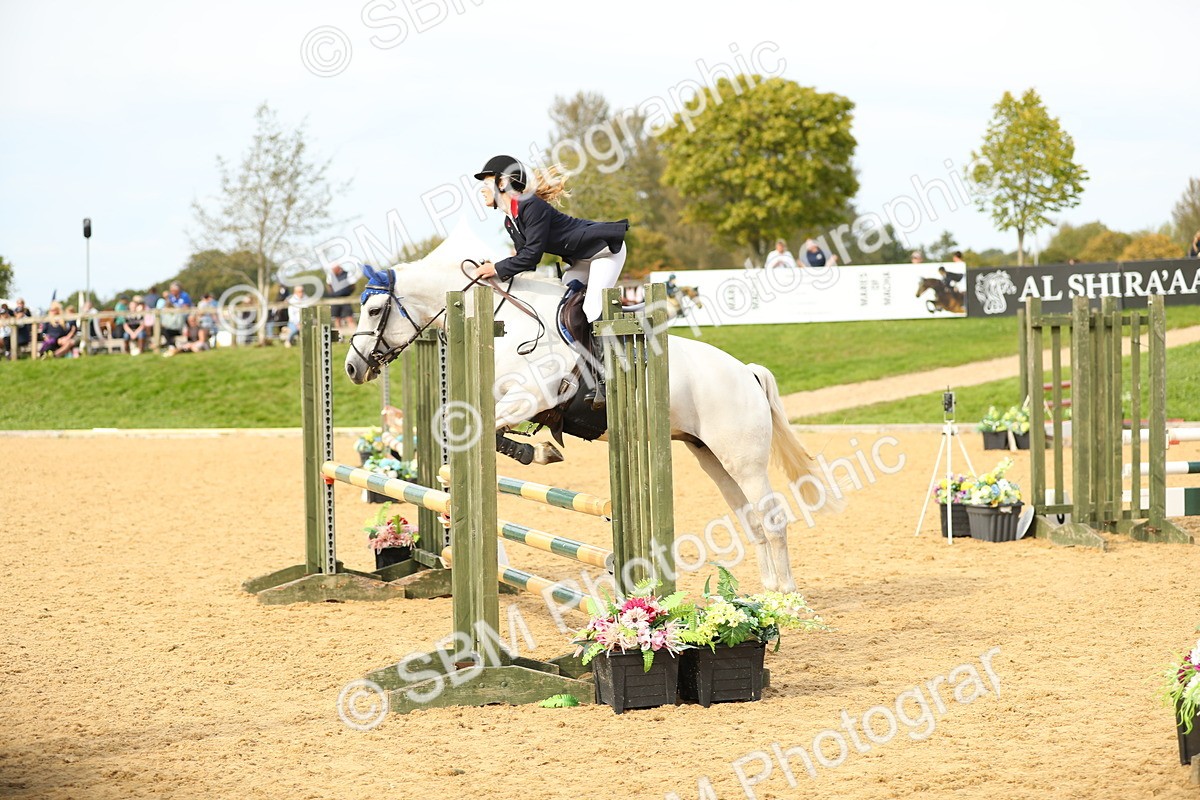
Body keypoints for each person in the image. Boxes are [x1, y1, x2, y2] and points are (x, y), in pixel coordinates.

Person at [472, 155, 630, 325]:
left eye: (487, 184)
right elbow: (527, 263)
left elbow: (532, 255)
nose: (483, 190)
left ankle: (615, 351)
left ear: (502, 183)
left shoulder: (531, 206)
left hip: (605, 252)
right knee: (562, 303)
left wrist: (496, 268)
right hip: (582, 260)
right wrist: (495, 273)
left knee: (592, 307)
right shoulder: (510, 221)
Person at [327, 264, 356, 329]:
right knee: (337, 319)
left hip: (345, 299)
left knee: (349, 317)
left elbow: (353, 286)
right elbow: (329, 286)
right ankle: (339, 337)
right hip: (335, 300)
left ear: (338, 268)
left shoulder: (348, 274)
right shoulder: (330, 275)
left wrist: (347, 293)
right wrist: (333, 294)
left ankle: (353, 334)